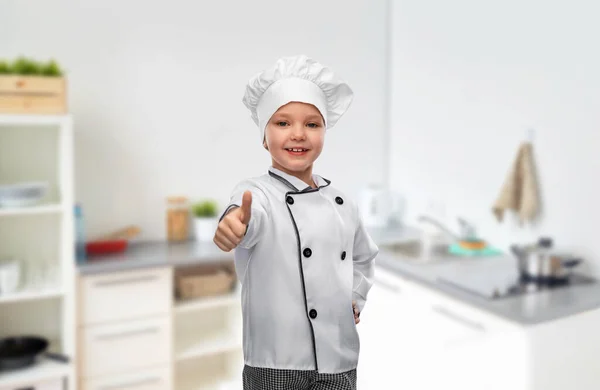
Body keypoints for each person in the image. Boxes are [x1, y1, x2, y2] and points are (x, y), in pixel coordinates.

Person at [213, 54, 379, 390]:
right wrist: (233, 225)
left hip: (338, 358)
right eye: (283, 123)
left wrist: (355, 297)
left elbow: (364, 257)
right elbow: (245, 217)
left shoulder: (342, 202)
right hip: (276, 361)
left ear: (324, 133)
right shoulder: (256, 193)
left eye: (312, 124)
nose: (298, 134)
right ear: (264, 136)